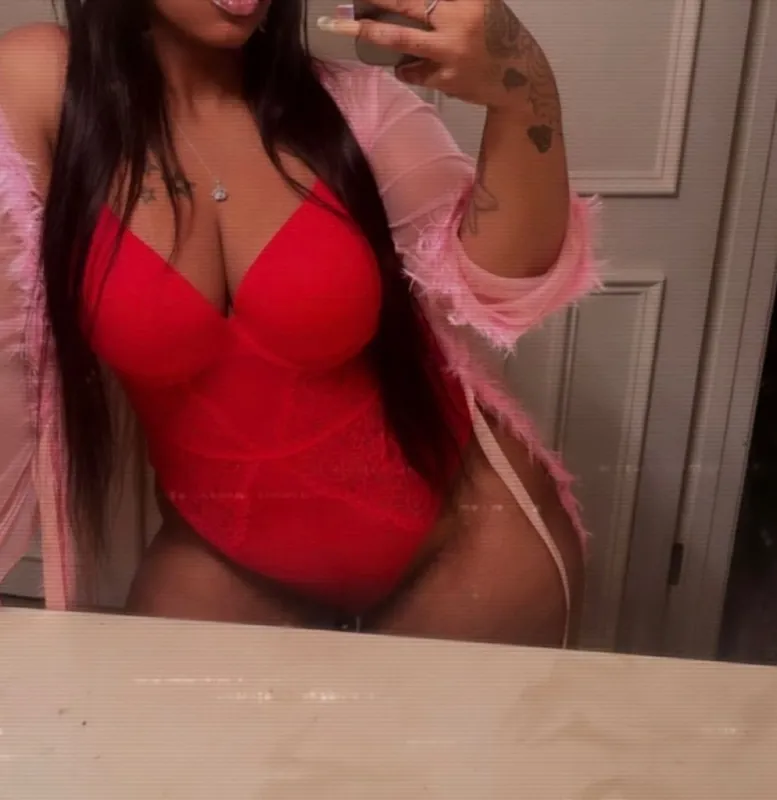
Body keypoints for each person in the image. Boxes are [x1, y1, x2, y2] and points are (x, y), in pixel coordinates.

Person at [0, 0, 598, 647]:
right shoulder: (43, 80)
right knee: (144, 713)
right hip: (224, 559)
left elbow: (500, 288)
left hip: (467, 546)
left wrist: (522, 90)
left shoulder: (354, 108)